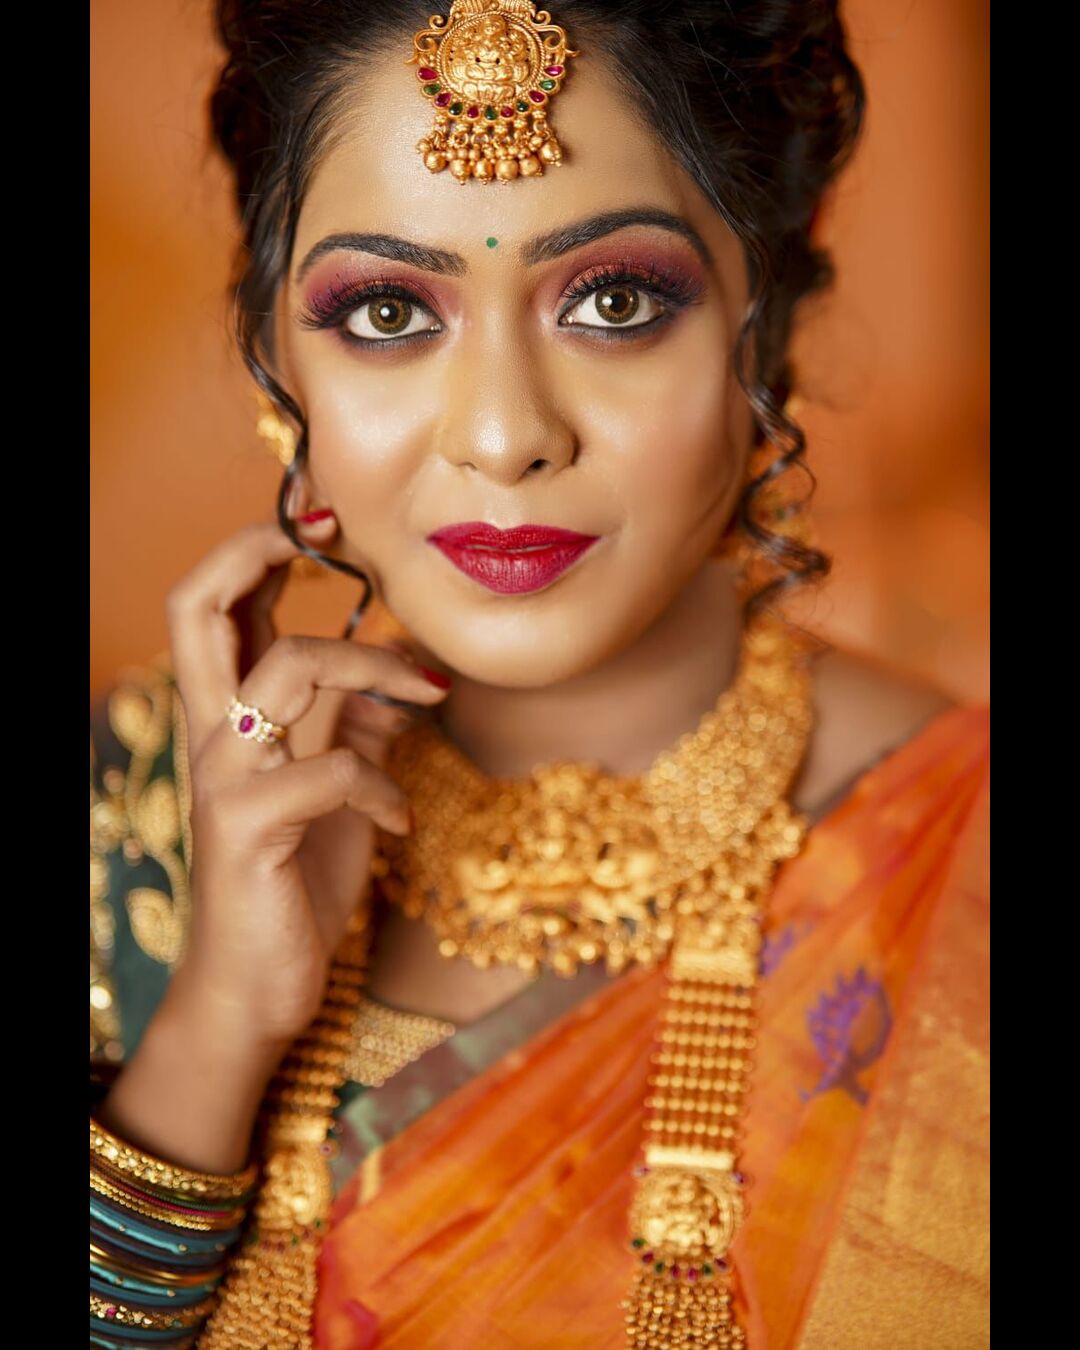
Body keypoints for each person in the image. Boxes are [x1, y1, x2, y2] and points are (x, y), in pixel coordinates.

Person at [89, 2, 990, 1346]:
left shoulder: (959, 854)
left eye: (617, 301)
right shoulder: (140, 809)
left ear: (769, 324)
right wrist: (217, 1025)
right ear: (279, 362)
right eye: (388, 309)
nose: (505, 434)